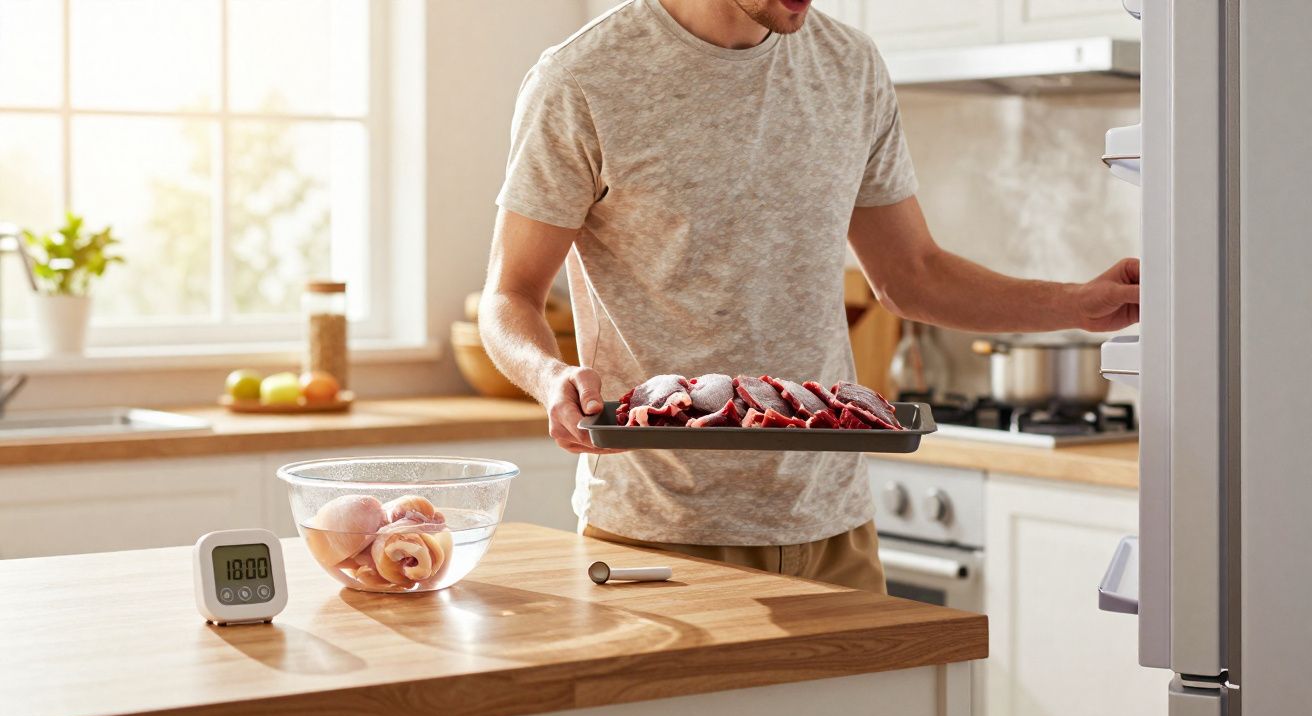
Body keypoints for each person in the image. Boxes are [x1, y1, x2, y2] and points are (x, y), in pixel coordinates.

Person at [478, 0, 1139, 593]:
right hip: (662, 531)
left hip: (834, 525)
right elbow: (510, 295)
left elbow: (912, 275)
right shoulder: (582, 77)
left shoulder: (850, 66)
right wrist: (549, 376)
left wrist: (1077, 305)